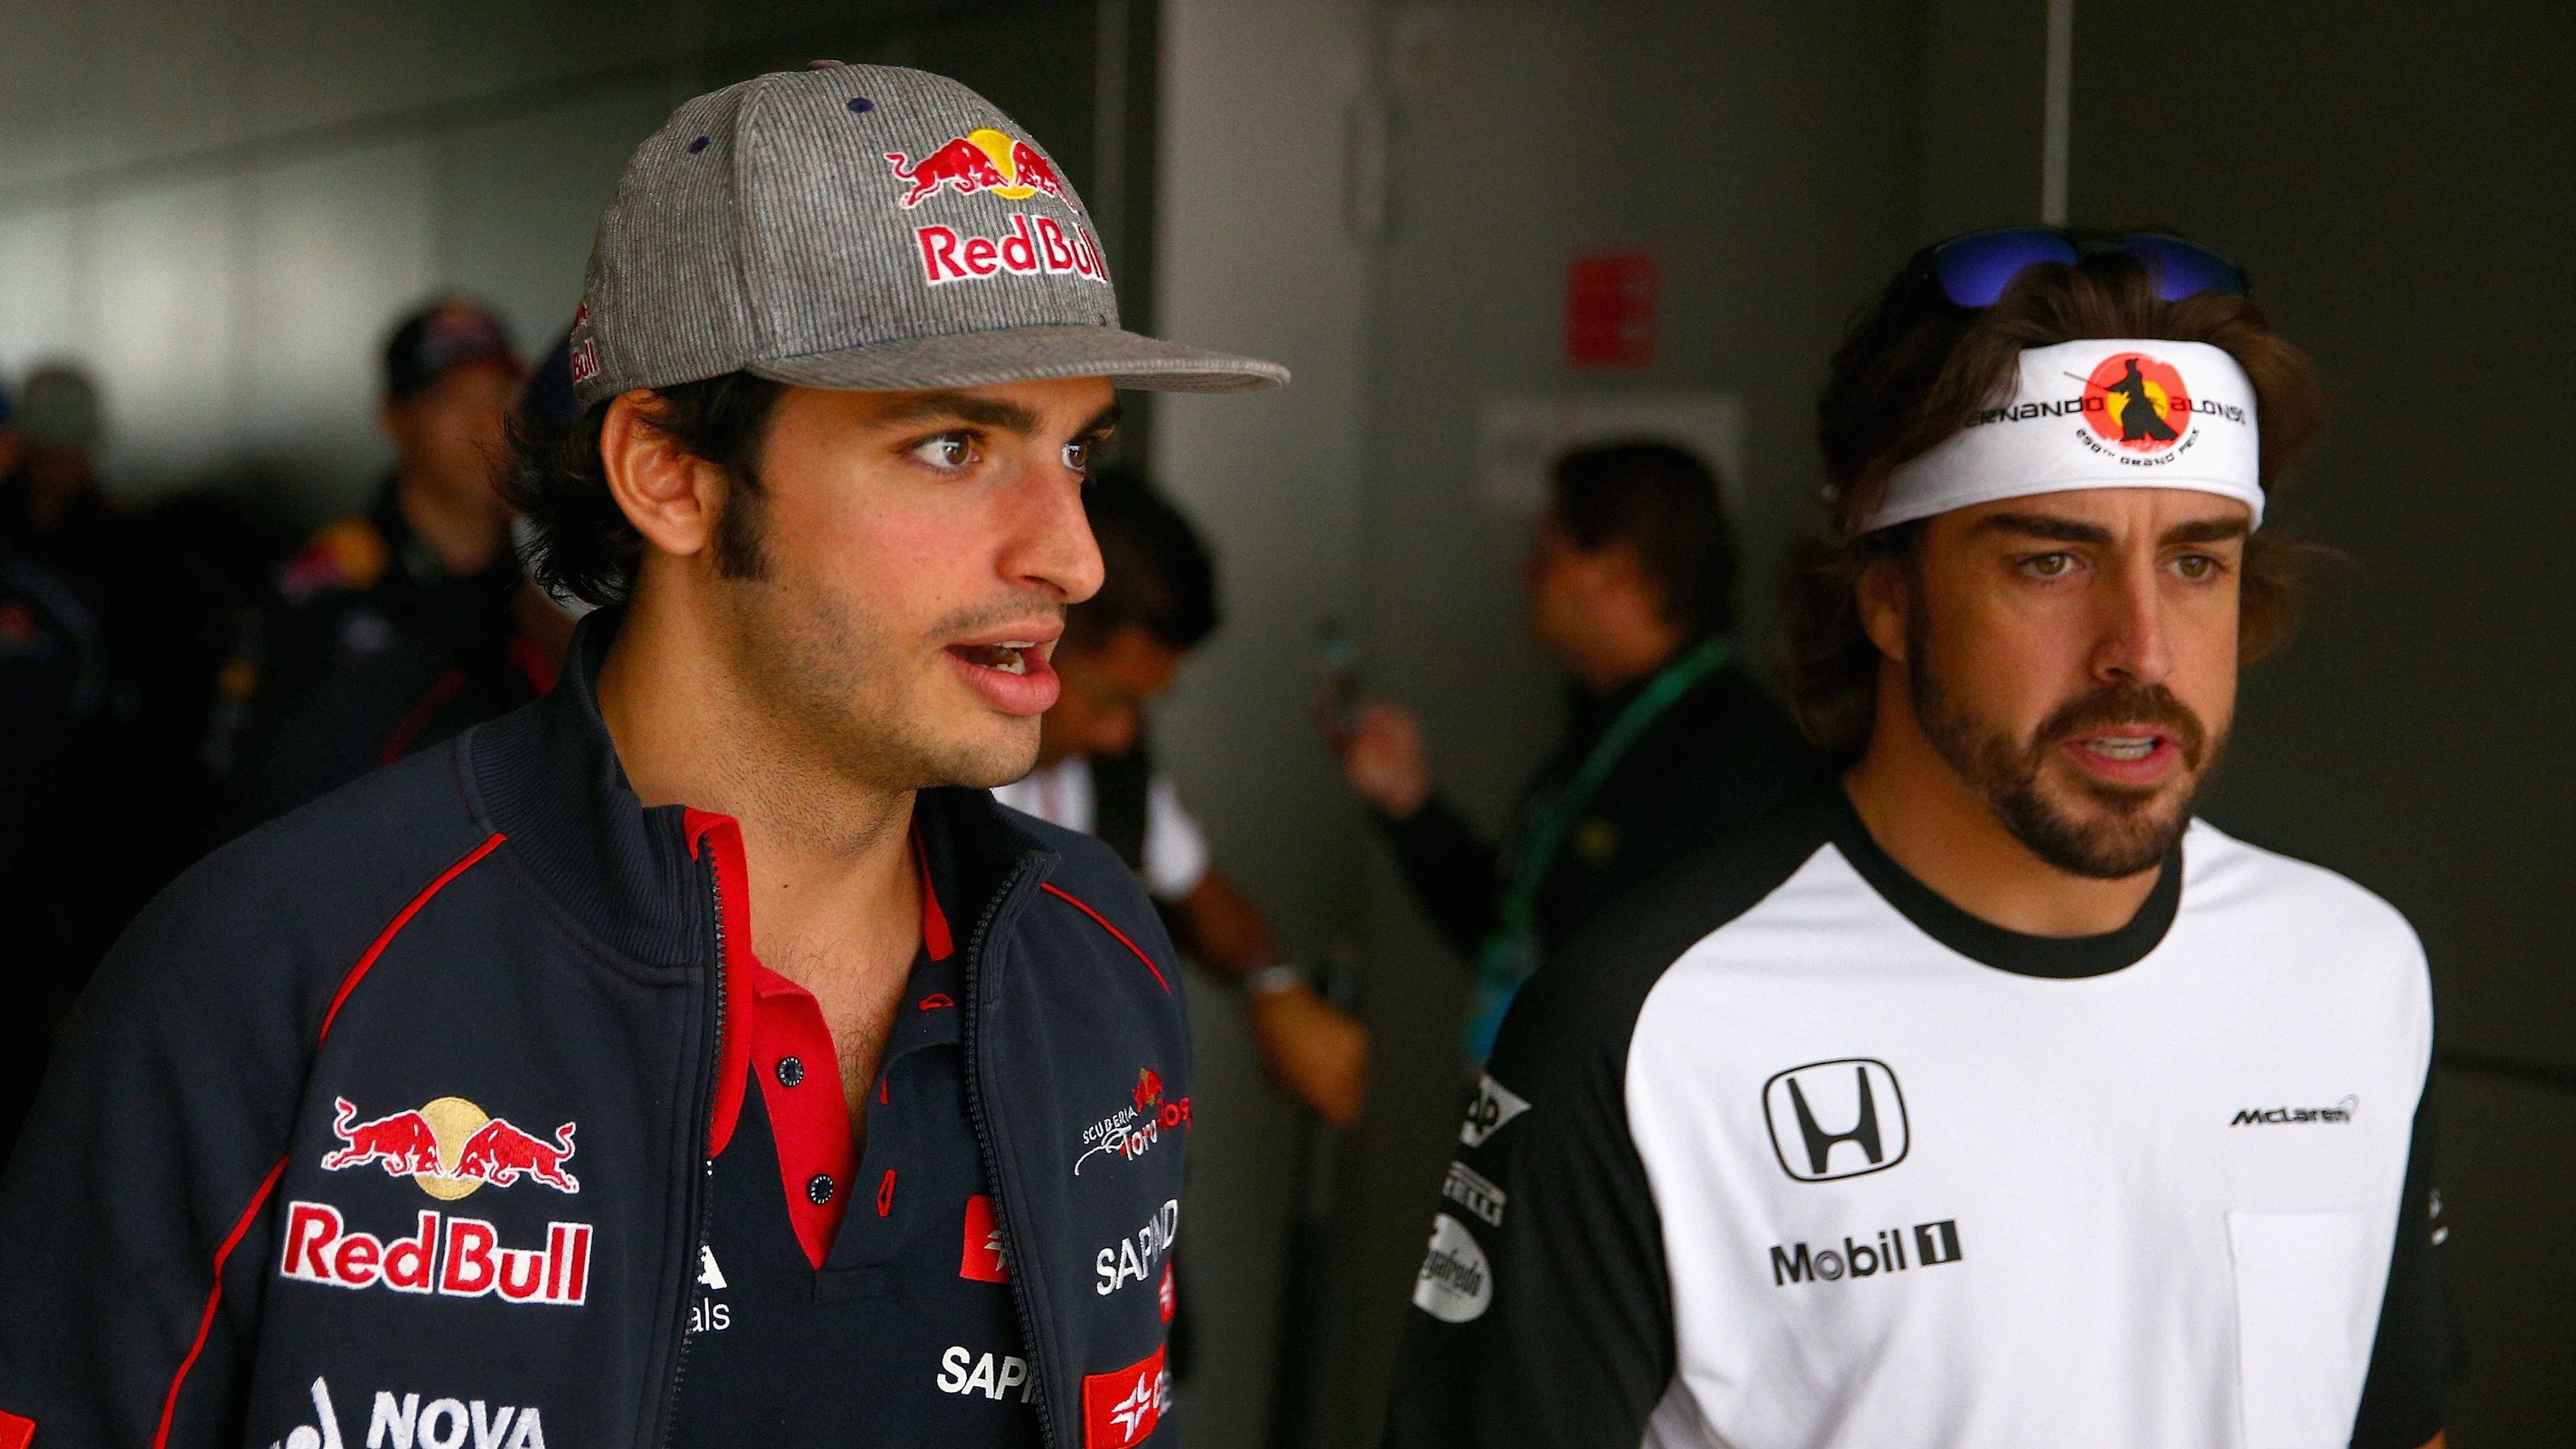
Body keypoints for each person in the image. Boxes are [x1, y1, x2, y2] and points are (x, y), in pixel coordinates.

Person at [0, 61, 1284, 1449]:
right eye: (953, 444)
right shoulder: (270, 972)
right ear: (667, 473)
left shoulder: (1092, 949)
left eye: (1077, 452)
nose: (1072, 557)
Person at [1381, 231, 2450, 1449]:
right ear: (1886, 595)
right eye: (2053, 560)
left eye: (2197, 561)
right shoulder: (1645, 1032)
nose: (2142, 651)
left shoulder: (2354, 972)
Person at [1334, 441, 1820, 1059]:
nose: (1526, 575)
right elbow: (1518, 930)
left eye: (1546, 553)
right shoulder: (1606, 727)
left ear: (1616, 572)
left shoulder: (1739, 761)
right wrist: (1408, 803)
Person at [995, 468, 1367, 1126]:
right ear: (1029, 634)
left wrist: (1274, 989)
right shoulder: (929, 787)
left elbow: (1205, 903)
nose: (1121, 735)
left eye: (1141, 706)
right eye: (1110, 700)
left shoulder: (1115, 776)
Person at [216, 297, 549, 825]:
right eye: (452, 398)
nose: (488, 422)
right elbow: (245, 778)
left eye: (502, 394)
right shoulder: (326, 584)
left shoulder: (547, 581)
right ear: (393, 419)